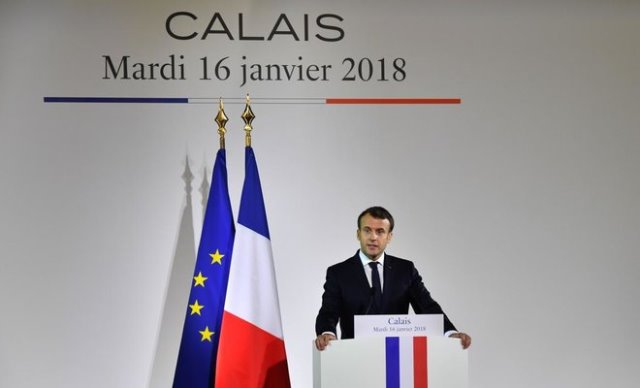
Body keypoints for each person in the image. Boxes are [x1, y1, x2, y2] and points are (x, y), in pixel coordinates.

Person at [314, 206, 471, 351]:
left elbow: (427, 307)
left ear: (389, 237)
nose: (373, 237)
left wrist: (450, 333)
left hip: (397, 358)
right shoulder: (339, 272)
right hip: (355, 356)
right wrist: (328, 333)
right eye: (367, 230)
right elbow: (329, 311)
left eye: (380, 231)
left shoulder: (405, 270)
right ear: (358, 234)